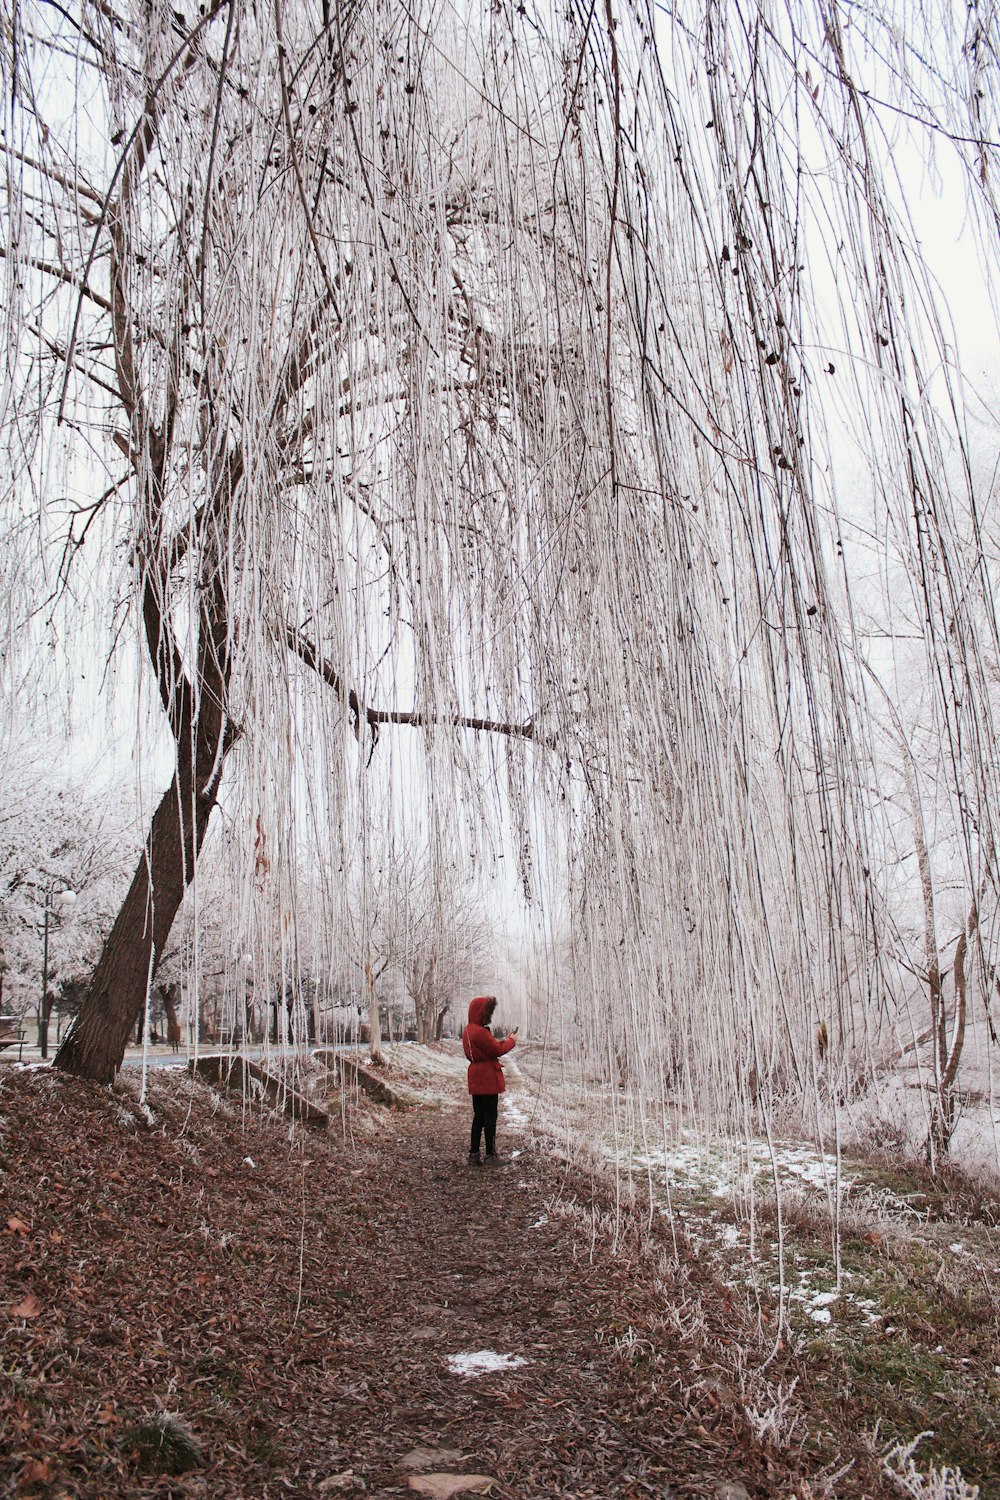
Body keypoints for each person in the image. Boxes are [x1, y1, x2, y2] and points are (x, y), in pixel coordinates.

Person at [461, 995, 517, 1166]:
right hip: (487, 1077)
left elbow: (488, 1047)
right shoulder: (479, 1031)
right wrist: (511, 1041)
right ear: (481, 1013)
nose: (489, 1016)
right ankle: (491, 1155)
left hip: (476, 1075)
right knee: (490, 1117)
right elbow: (495, 1050)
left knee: (478, 1116)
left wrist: (502, 1041)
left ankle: (474, 1153)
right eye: (487, 1012)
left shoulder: (469, 1030)